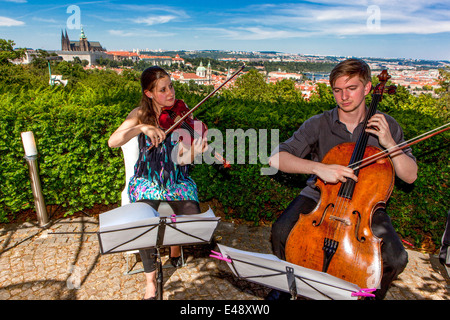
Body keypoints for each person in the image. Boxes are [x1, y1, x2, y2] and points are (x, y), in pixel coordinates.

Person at [268, 59, 418, 300]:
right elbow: (275, 159)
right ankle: (290, 288)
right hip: (320, 199)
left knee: (395, 258)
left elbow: (410, 176)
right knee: (282, 232)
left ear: (368, 88)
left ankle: (363, 295)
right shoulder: (319, 123)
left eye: (351, 88)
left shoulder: (386, 125)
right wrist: (319, 168)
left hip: (364, 206)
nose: (344, 96)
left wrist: (391, 145)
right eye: (338, 90)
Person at [108, 66, 207, 300]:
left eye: (171, 86)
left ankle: (174, 246)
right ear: (149, 93)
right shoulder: (140, 113)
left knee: (191, 214)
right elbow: (113, 141)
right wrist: (140, 127)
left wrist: (194, 153)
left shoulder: (181, 116)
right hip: (147, 180)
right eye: (163, 90)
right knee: (144, 224)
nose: (170, 93)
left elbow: (183, 159)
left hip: (176, 180)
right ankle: (151, 281)